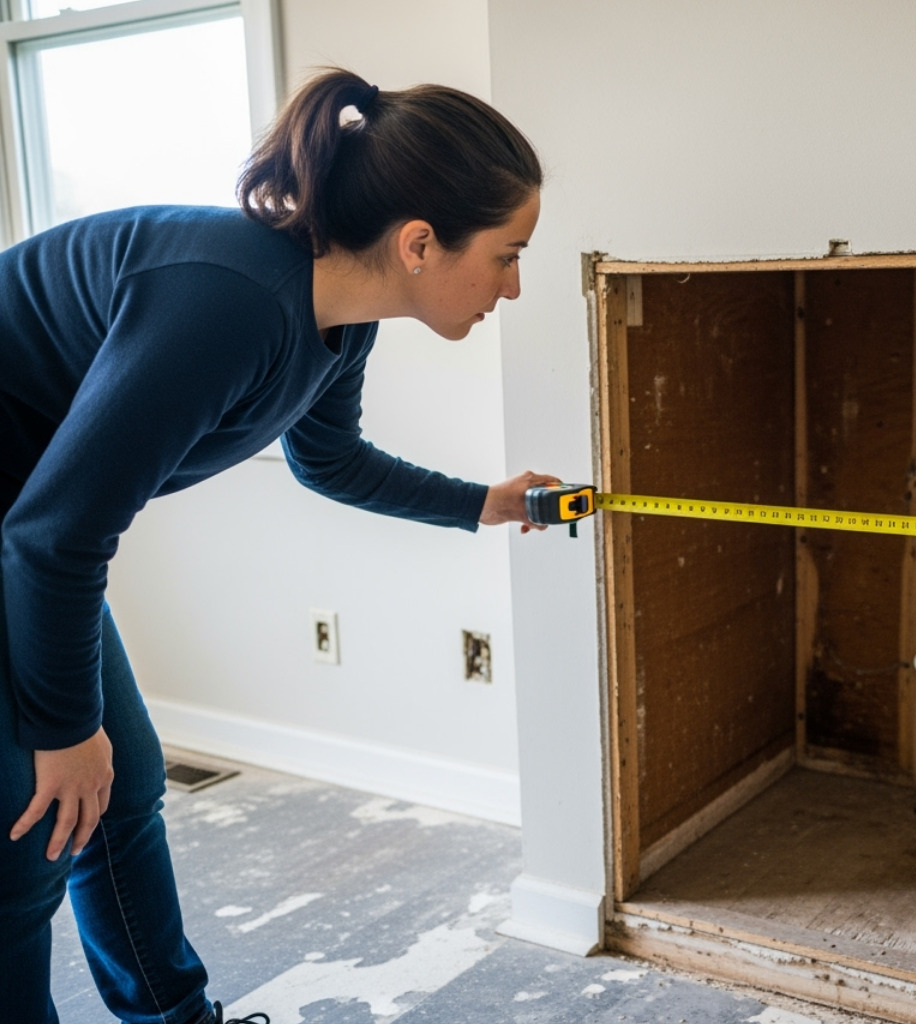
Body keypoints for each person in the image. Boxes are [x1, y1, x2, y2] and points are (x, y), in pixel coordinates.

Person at [0, 68, 555, 1024]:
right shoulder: (229, 299)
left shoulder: (339, 321)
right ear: (419, 243)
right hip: (29, 534)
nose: (514, 284)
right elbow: (53, 535)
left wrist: (486, 505)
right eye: (508, 254)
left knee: (120, 790)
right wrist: (61, 729)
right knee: (30, 844)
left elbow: (329, 462)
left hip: (32, 525)